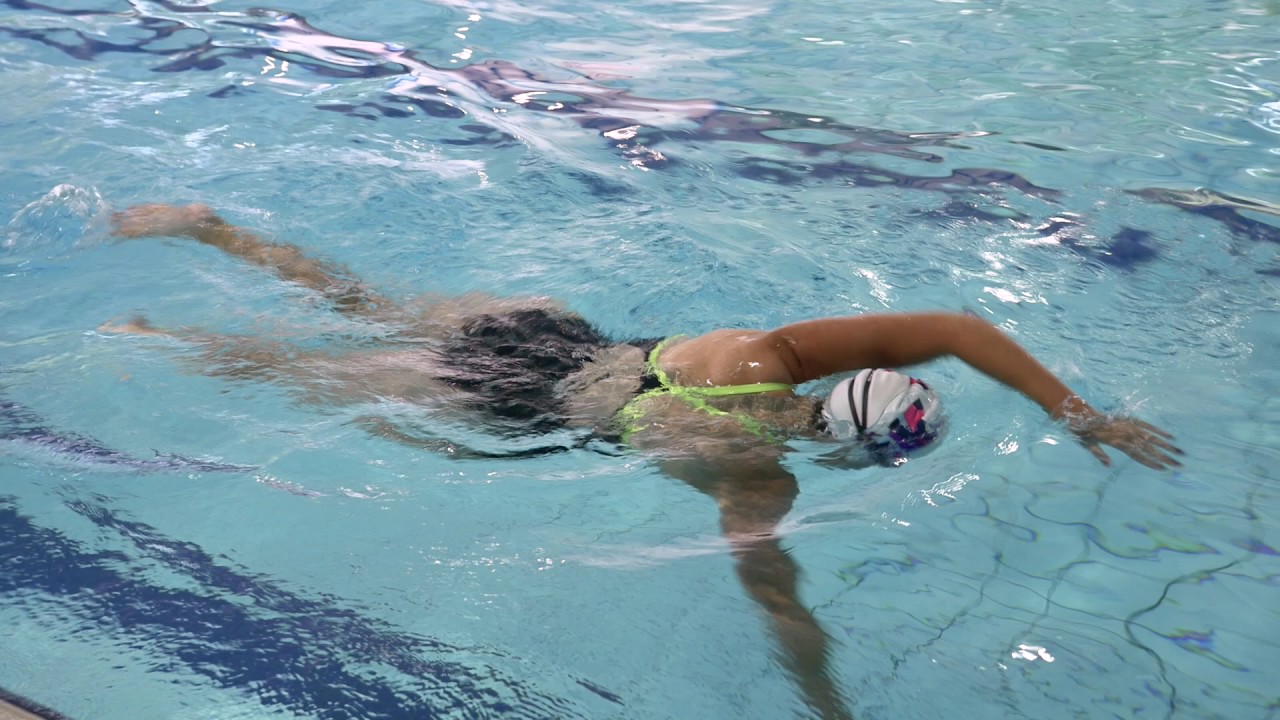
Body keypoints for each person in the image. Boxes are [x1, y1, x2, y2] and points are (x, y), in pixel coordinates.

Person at [103, 202, 1181, 720]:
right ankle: (147, 342)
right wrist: (830, 710)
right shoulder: (757, 478)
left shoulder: (767, 354)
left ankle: (208, 230)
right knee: (297, 376)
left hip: (555, 334)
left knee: (359, 300)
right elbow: (781, 608)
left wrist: (1074, 410)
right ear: (859, 457)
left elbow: (949, 325)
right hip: (519, 406)